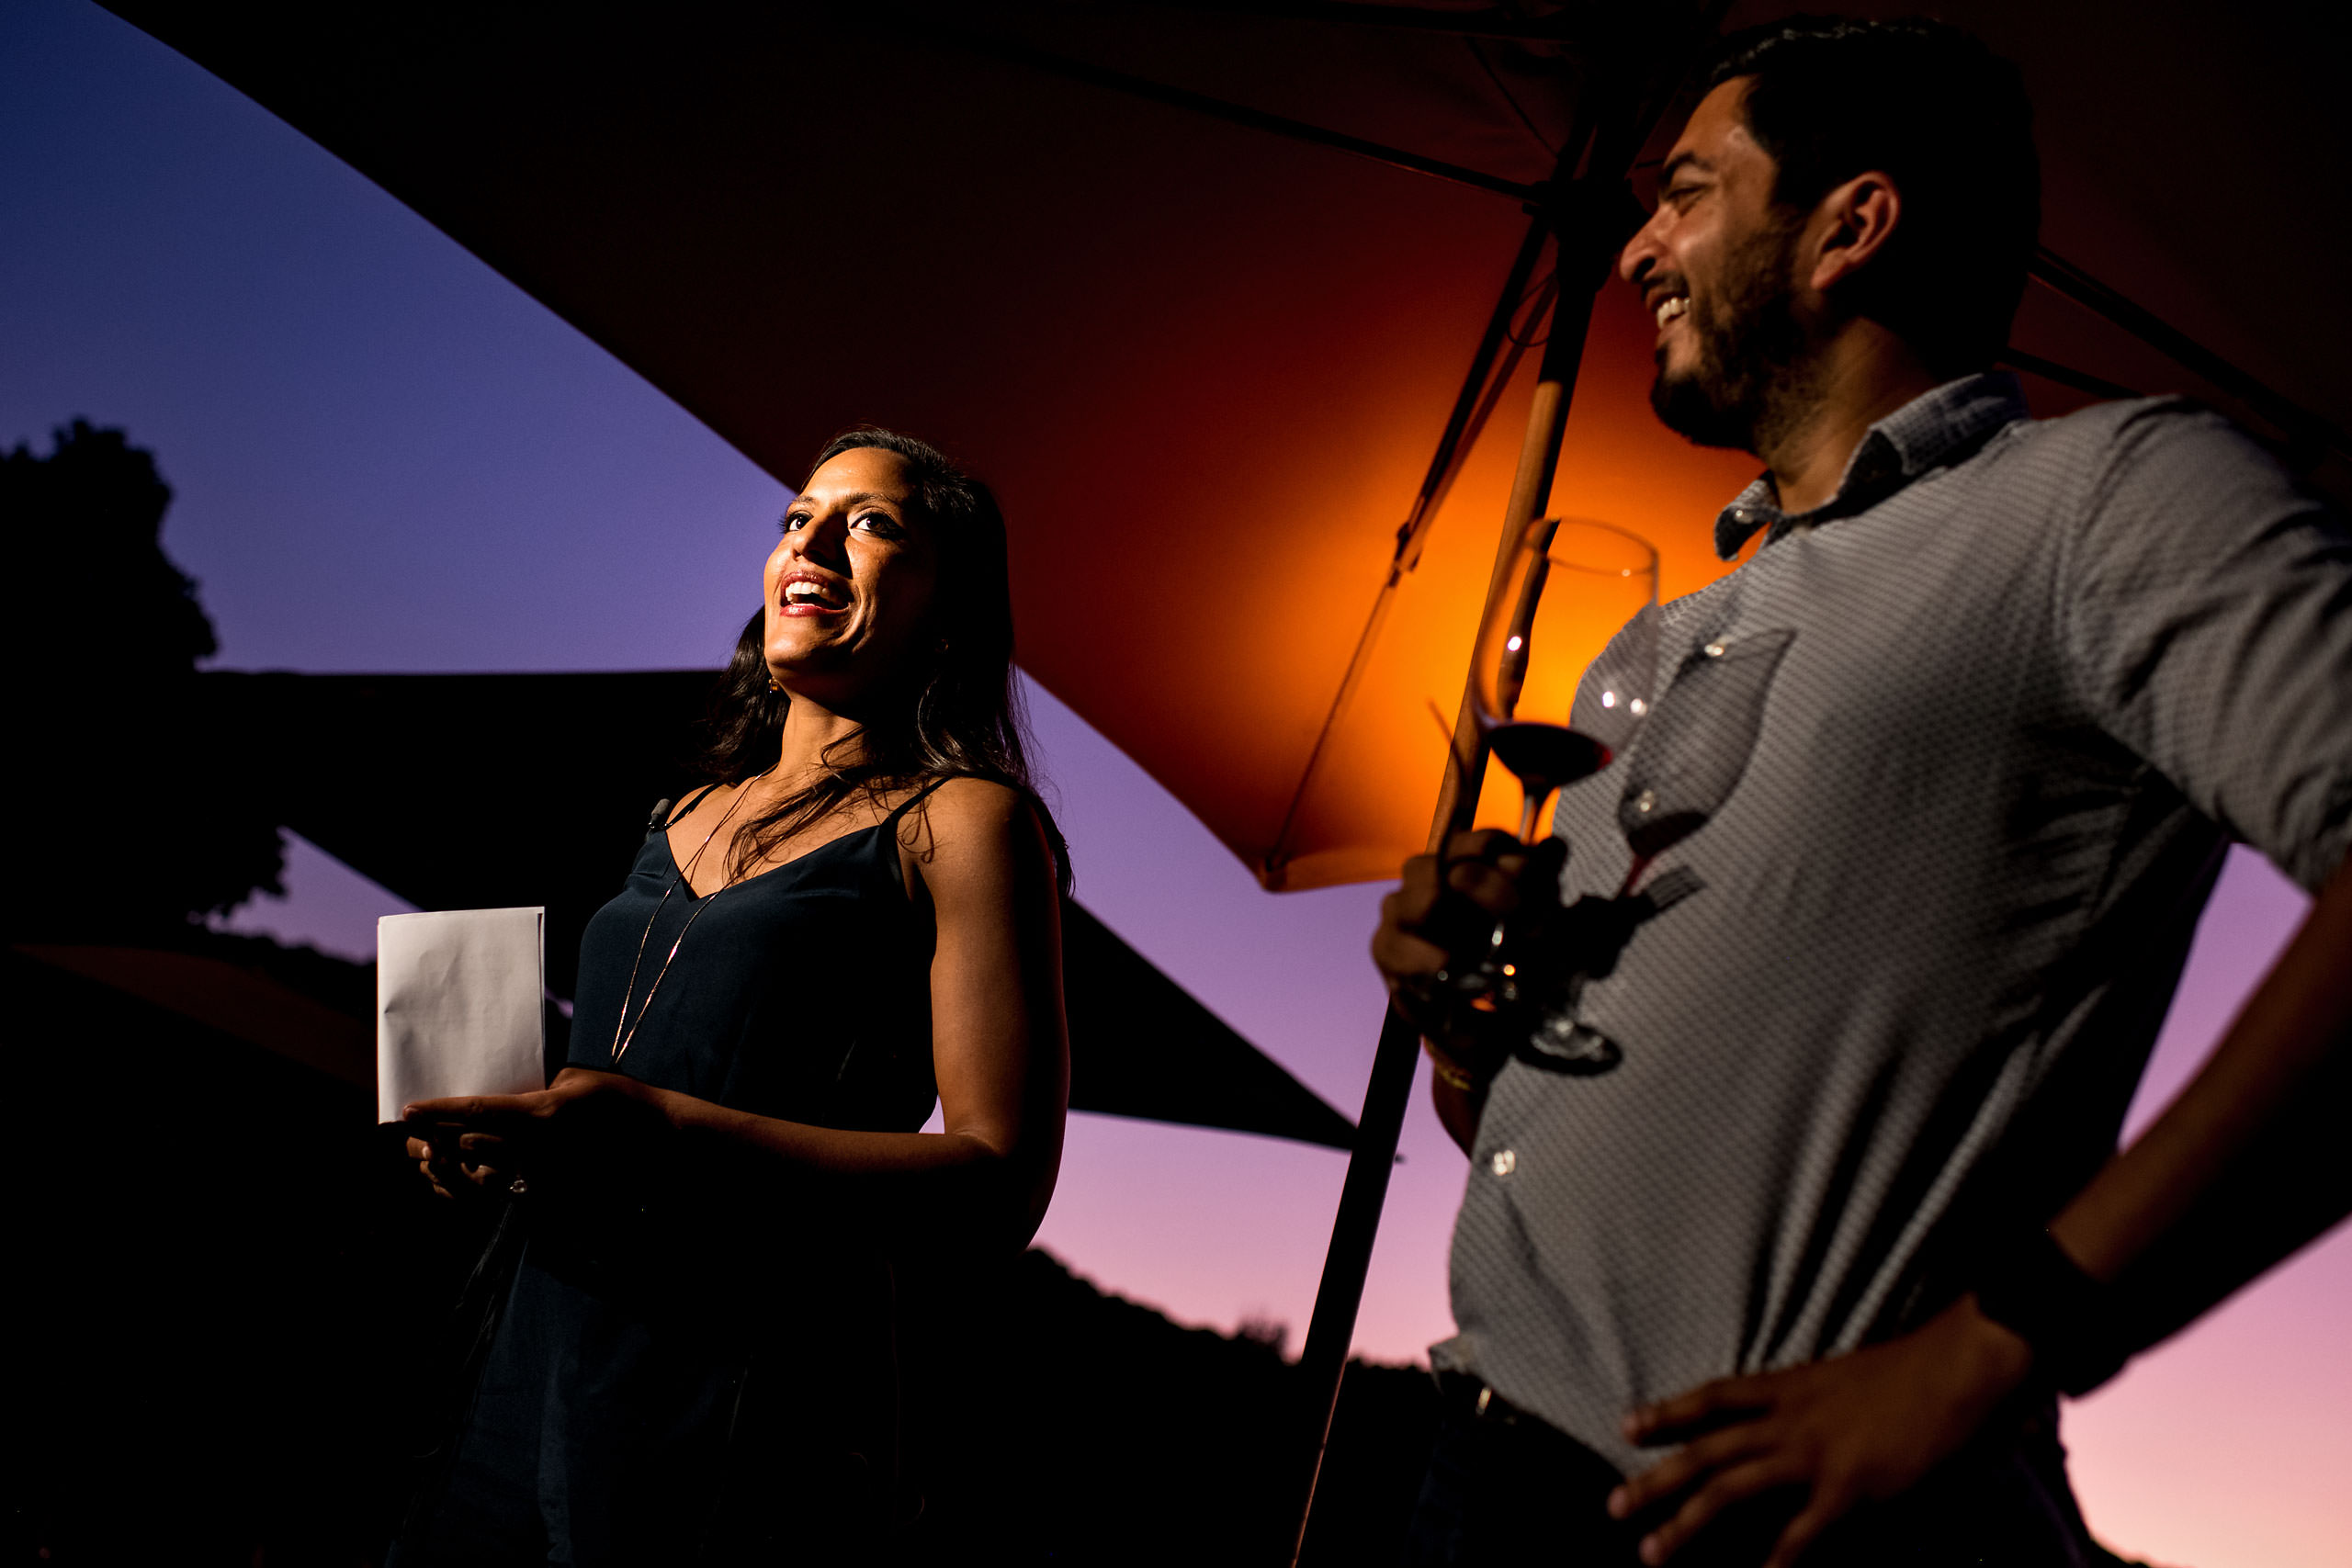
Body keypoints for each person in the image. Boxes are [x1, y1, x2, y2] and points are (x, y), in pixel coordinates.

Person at [1374, 17, 2352, 1568]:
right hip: (1472, 1465)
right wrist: (1469, 1025)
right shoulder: (1669, 631)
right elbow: (1523, 1109)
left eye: (1687, 191)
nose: (1636, 248)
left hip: (1758, 1529)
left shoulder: (2107, 498)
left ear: (1850, 228)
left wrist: (1999, 1341)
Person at [393, 428, 1071, 1564]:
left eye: (870, 522)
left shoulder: (963, 824)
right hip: (534, 1350)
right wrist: (500, 1135)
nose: (811, 537)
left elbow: (999, 1182)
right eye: (798, 517)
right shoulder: (680, 810)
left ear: (948, 609)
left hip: (742, 1392)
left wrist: (652, 1129)